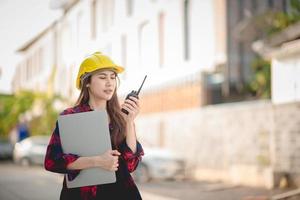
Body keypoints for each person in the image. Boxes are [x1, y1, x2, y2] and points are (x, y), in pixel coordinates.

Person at [44, 52, 144, 200]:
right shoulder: (71, 117)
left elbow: (131, 165)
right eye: (102, 77)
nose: (109, 83)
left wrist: (129, 121)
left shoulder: (121, 117)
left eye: (112, 77)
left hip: (122, 193)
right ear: (87, 82)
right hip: (82, 195)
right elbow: (52, 161)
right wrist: (97, 161)